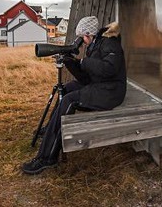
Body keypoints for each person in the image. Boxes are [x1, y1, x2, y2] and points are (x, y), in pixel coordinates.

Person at [21, 16, 127, 175]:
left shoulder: (110, 43)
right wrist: (72, 63)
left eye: (82, 37)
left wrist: (85, 62)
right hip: (100, 85)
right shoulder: (95, 44)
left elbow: (109, 69)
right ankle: (51, 129)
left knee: (69, 100)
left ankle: (47, 158)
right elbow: (87, 78)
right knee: (66, 89)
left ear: (88, 34)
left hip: (111, 92)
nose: (82, 41)